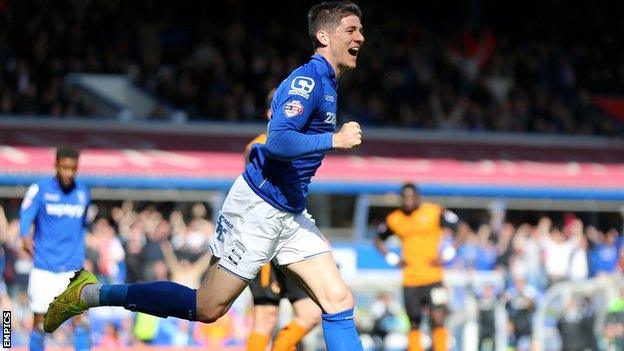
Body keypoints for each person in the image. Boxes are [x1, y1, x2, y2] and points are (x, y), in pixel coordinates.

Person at [45, 2, 365, 350]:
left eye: (361, 30)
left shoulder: (330, 84)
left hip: (290, 211)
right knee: (207, 307)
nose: (360, 37)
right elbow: (278, 141)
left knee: (338, 301)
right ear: (323, 35)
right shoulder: (307, 80)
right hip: (258, 208)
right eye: (351, 30)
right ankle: (93, 293)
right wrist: (334, 139)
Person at [245, 89, 322, 351]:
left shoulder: (299, 143)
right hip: (265, 242)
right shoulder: (259, 145)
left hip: (290, 240)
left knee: (310, 313)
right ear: (271, 113)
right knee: (265, 318)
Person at [19, 145, 91, 351]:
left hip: (72, 268)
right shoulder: (40, 189)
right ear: (56, 165)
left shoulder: (83, 192)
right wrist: (25, 235)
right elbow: (26, 214)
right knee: (40, 323)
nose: (69, 173)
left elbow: (82, 226)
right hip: (44, 266)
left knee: (80, 320)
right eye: (65, 168)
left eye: (73, 169)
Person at [374, 183, 462, 351]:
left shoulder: (434, 212)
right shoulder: (395, 218)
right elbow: (378, 239)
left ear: (418, 197)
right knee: (414, 321)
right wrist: (392, 258)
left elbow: (462, 229)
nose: (408, 201)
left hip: (434, 277)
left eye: (411, 197)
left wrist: (449, 253)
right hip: (410, 278)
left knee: (438, 318)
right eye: (404, 198)